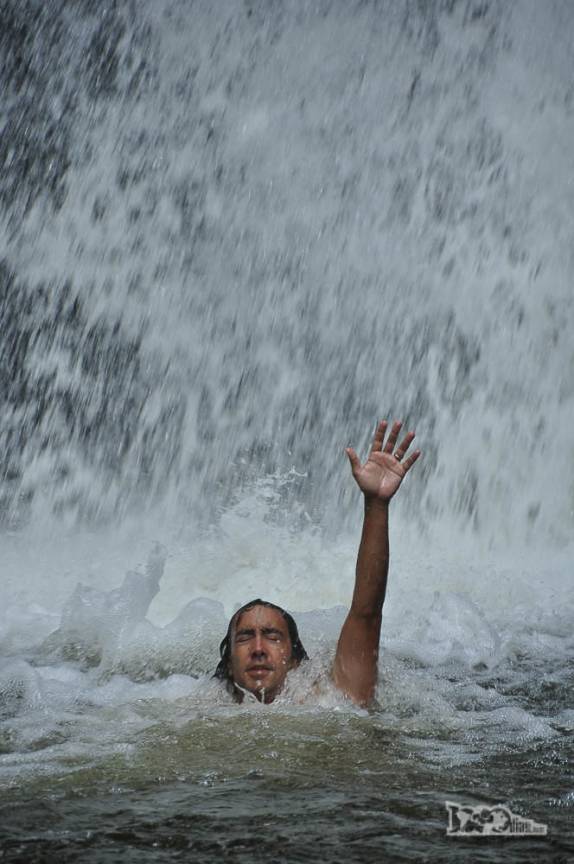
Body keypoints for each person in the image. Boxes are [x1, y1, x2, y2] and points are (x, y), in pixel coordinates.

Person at [213, 419, 421, 706]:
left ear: (296, 661)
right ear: (228, 664)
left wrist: (376, 505)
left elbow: (366, 614)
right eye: (245, 637)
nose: (258, 648)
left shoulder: (330, 700)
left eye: (273, 636)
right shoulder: (193, 712)